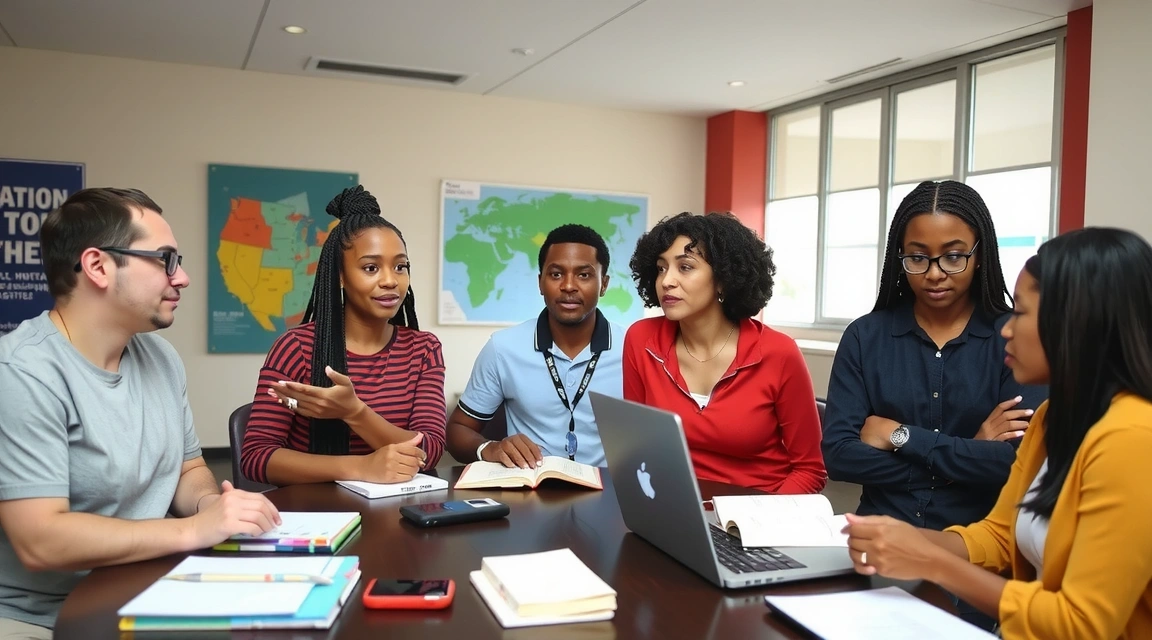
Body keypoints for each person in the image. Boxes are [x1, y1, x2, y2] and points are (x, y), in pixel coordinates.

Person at [844, 227, 1152, 639]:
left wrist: (932, 562)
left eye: (1021, 313)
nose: (1006, 329)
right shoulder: (1051, 418)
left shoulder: (1133, 438)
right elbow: (1002, 535)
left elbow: (1081, 624)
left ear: (1077, 323)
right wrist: (903, 539)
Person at [0, 188, 280, 639]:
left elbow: (188, 468)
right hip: (43, 618)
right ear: (98, 267)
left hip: (146, 588)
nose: (183, 277)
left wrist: (210, 504)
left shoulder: (161, 358)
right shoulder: (21, 372)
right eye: (165, 259)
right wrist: (194, 530)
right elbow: (41, 541)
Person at [822, 180, 1047, 530]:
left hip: (974, 544)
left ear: (980, 255)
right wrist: (967, 454)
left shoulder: (1015, 338)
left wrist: (901, 436)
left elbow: (1013, 463)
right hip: (876, 535)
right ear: (900, 257)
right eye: (917, 258)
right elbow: (840, 457)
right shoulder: (865, 337)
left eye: (953, 257)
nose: (934, 273)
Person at [241, 186, 446, 487]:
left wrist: (355, 412)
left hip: (399, 509)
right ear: (340, 275)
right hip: (318, 509)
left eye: (400, 267)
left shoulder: (423, 349)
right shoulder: (296, 348)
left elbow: (430, 450)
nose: (391, 280)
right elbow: (256, 458)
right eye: (371, 268)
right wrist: (361, 467)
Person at [623, 212, 825, 493]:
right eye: (660, 268)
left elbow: (810, 470)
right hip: (679, 505)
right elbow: (638, 446)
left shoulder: (779, 353)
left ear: (723, 280)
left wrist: (760, 517)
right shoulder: (641, 340)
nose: (666, 280)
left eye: (685, 267)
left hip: (764, 508)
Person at [446, 224, 624, 468]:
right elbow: (457, 430)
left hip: (610, 488)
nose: (568, 286)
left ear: (603, 284)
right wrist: (491, 448)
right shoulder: (502, 348)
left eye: (583, 275)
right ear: (540, 283)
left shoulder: (633, 348)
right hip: (532, 486)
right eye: (556, 274)